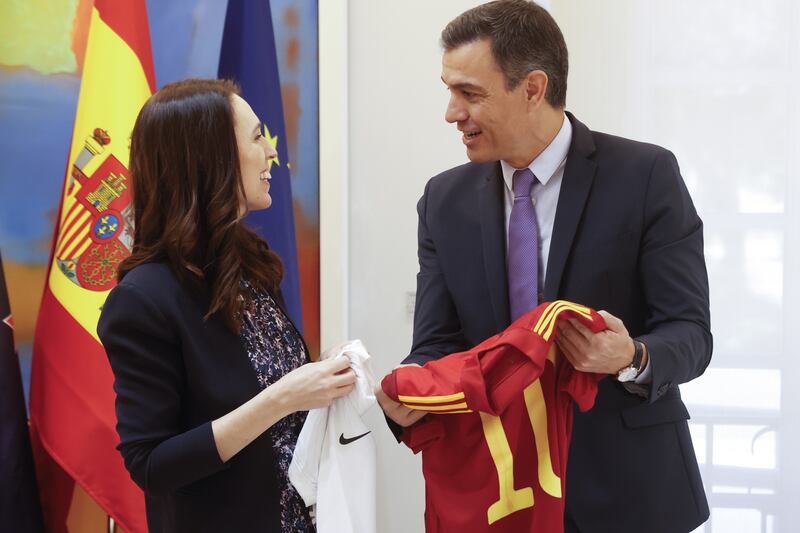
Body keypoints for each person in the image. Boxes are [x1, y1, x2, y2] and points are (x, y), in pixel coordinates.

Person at [376, 1, 712, 532]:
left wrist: (632, 355)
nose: (451, 112)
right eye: (449, 90)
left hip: (629, 496)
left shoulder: (646, 175)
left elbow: (692, 334)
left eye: (469, 93)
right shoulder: (442, 201)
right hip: (502, 496)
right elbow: (437, 345)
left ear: (533, 88)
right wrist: (411, 389)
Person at [97, 78, 355, 533]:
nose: (272, 152)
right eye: (257, 136)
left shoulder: (251, 265)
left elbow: (274, 402)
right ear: (208, 159)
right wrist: (284, 396)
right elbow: (152, 465)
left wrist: (321, 376)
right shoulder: (141, 300)